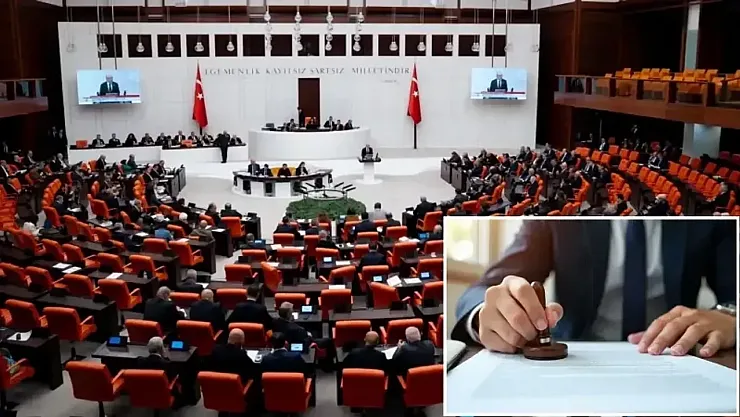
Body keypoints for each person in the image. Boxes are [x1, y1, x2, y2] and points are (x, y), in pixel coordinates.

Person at [451, 220, 737, 359]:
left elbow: (733, 295)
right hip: (575, 356)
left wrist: (731, 317)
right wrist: (484, 314)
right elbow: (483, 289)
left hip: (674, 356)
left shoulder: (714, 220)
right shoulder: (553, 217)